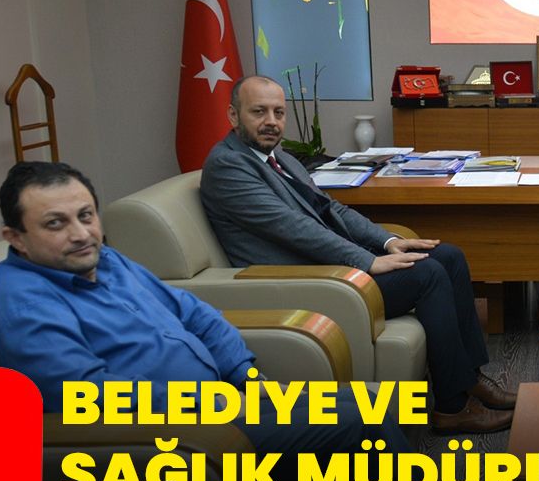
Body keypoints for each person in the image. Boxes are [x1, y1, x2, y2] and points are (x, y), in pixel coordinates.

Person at [0, 161, 456, 481]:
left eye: (86, 216)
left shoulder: (105, 260)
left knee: (371, 402)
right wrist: (213, 405)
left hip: (227, 401)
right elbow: (90, 398)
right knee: (361, 426)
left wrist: (244, 376)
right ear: (16, 238)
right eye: (56, 224)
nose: (81, 234)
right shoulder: (29, 304)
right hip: (182, 439)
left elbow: (194, 312)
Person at [200, 75, 514, 435]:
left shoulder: (280, 159)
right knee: (427, 275)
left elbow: (331, 210)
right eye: (259, 112)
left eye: (278, 112)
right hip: (304, 283)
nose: (271, 121)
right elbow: (294, 228)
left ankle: (469, 378)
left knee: (449, 257)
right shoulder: (228, 167)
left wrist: (387, 242)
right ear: (233, 115)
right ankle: (452, 408)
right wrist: (367, 261)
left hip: (331, 269)